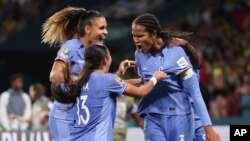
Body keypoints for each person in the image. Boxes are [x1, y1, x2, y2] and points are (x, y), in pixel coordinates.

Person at [131, 13, 220, 141]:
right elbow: (145, 81)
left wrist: (208, 127)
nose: (136, 40)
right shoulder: (139, 54)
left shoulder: (176, 52)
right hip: (152, 117)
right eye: (133, 36)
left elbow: (195, 92)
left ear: (154, 34)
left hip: (180, 116)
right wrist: (116, 82)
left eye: (140, 36)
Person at [51, 43, 166, 141]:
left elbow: (108, 86)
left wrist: (125, 76)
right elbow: (142, 91)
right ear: (106, 60)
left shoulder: (82, 79)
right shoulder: (107, 80)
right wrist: (155, 78)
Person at [42, 7, 111, 141]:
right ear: (88, 29)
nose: (106, 32)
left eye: (106, 28)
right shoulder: (71, 47)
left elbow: (99, 83)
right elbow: (54, 75)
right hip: (64, 116)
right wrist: (81, 80)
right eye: (102, 28)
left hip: (84, 118)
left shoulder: (98, 52)